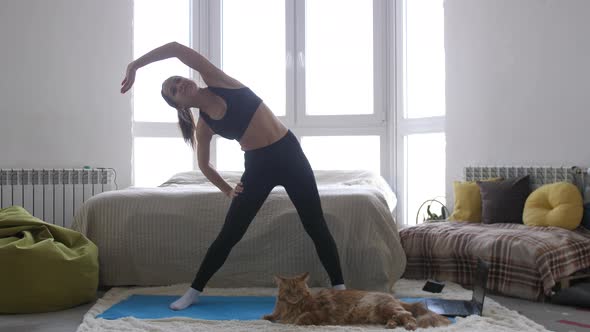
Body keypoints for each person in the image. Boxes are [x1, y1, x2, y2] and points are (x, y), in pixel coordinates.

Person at [121, 41, 345, 310]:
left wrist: (135, 65)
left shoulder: (218, 80)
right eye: (174, 89)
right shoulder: (204, 126)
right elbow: (204, 165)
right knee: (230, 233)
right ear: (180, 105)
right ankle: (193, 292)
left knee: (315, 223)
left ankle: (340, 289)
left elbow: (176, 49)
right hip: (258, 166)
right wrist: (227, 189)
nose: (179, 85)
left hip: (289, 154)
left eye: (178, 80)